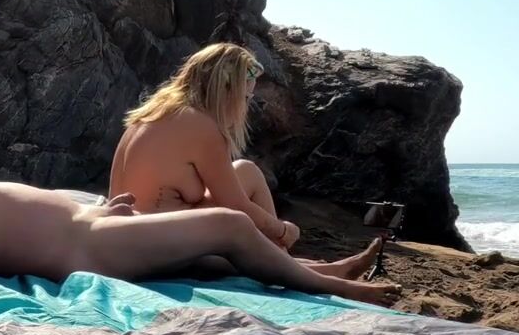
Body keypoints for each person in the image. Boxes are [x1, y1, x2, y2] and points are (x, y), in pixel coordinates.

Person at [0, 138, 403, 305]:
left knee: (209, 259)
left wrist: (97, 208)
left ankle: (322, 266)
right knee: (229, 228)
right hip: (85, 246)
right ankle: (338, 289)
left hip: (90, 225)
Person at [110, 42, 384, 265]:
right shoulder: (201, 126)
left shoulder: (148, 117)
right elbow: (235, 205)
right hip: (158, 246)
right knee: (248, 209)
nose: (246, 106)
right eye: (245, 97)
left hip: (129, 237)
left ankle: (291, 264)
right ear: (226, 91)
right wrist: (283, 230)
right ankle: (290, 265)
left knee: (245, 170)